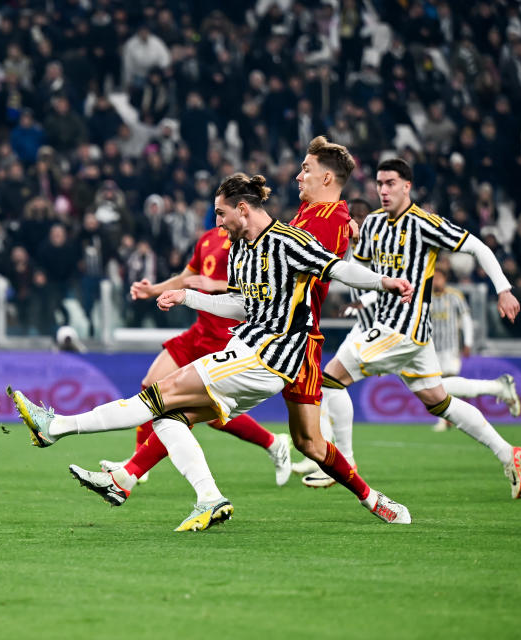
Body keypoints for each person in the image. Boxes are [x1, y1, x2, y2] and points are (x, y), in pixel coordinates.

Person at [9, 173, 415, 530]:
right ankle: (216, 497)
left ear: (242, 208)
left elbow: (338, 268)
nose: (218, 223)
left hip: (268, 356)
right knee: (169, 417)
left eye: (221, 214)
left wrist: (385, 283)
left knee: (157, 394)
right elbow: (240, 304)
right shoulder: (240, 250)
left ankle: (56, 427)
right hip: (250, 351)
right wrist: (187, 296)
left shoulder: (289, 242)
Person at [92, 136, 380, 511]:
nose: (298, 176)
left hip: (289, 338)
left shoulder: (330, 219)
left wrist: (372, 270)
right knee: (180, 405)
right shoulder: (303, 216)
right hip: (259, 331)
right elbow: (202, 274)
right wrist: (161, 291)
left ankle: (356, 483)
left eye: (306, 169)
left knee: (303, 438)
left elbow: (291, 268)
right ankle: (130, 475)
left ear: (327, 178)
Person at [315, 158, 521, 499]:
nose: (383, 190)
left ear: (407, 186)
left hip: (401, 330)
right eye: (379, 183)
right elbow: (369, 273)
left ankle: (346, 462)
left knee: (328, 378)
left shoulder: (424, 223)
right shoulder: (371, 223)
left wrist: (503, 289)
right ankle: (509, 453)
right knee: (438, 400)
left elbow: (477, 247)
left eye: (390, 183)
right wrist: (354, 244)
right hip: (403, 332)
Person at [95, 224, 295, 490]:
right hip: (200, 331)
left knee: (209, 415)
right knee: (151, 383)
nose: (220, 216)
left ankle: (274, 443)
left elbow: (262, 285)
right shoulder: (208, 239)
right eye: (218, 210)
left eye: (224, 209)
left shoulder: (251, 240)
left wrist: (214, 284)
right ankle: (137, 464)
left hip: (227, 335)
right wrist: (153, 290)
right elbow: (188, 276)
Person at [429, 268, 520, 432]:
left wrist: (468, 342)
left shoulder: (455, 296)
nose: (436, 281)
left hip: (450, 347)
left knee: (443, 382)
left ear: (445, 279)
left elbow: (465, 319)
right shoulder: (426, 297)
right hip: (431, 349)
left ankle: (448, 418)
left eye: (439, 278)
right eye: (434, 278)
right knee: (436, 385)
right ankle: (448, 418)